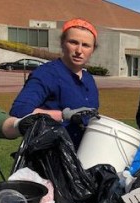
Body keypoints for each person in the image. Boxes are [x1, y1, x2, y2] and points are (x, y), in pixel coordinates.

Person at [9, 18, 99, 148]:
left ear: (93, 50)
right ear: (62, 43)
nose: (79, 50)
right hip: (47, 157)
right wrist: (63, 115)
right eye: (73, 42)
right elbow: (19, 111)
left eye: (86, 45)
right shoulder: (46, 74)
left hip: (80, 157)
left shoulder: (89, 79)